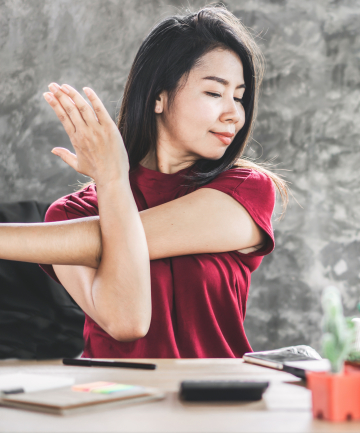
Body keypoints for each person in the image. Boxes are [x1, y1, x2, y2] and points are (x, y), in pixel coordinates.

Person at [1, 6, 287, 358]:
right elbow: (127, 323)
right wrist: (112, 181)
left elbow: (111, 238)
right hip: (111, 403)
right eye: (215, 93)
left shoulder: (245, 190)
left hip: (214, 403)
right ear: (158, 97)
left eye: (239, 97)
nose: (234, 114)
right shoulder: (71, 213)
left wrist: (111, 178)